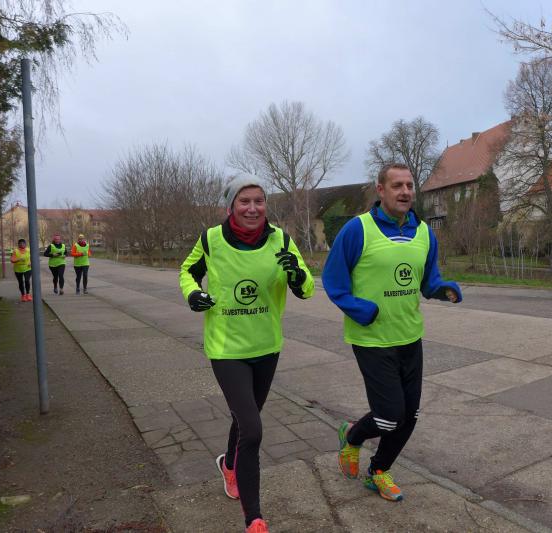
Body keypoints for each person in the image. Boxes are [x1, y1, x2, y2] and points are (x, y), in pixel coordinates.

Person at [179, 176, 314, 533]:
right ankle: (254, 518)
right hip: (227, 349)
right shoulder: (212, 240)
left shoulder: (281, 240)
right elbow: (188, 272)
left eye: (259, 201)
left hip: (266, 346)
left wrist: (296, 274)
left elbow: (307, 289)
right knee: (252, 430)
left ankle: (229, 464)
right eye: (244, 201)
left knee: (244, 419)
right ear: (231, 206)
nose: (253, 208)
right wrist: (193, 294)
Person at [322, 163, 462, 502]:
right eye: (397, 185)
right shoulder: (358, 229)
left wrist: (442, 289)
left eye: (409, 185)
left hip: (410, 336)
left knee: (409, 416)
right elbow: (334, 282)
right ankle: (352, 436)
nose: (405, 192)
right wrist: (361, 310)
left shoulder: (424, 232)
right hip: (371, 339)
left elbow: (428, 280)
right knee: (388, 417)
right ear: (381, 190)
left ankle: (378, 471)